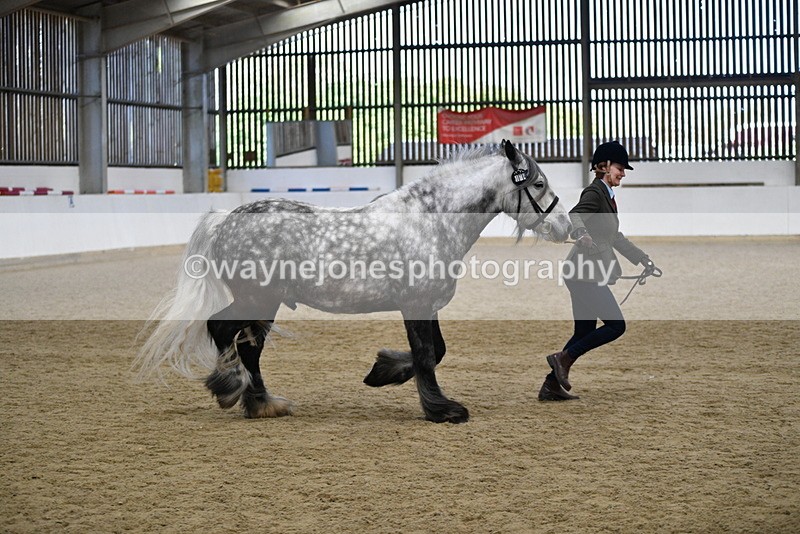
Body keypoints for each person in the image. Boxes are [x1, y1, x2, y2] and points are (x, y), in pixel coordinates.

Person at [538, 140, 658, 401]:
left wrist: (642, 259)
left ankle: (550, 386)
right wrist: (580, 233)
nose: (623, 173)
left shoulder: (607, 196)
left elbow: (615, 237)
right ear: (604, 167)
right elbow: (574, 216)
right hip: (584, 274)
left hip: (585, 273)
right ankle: (563, 358)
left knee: (583, 332)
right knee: (616, 325)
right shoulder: (594, 193)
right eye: (620, 168)